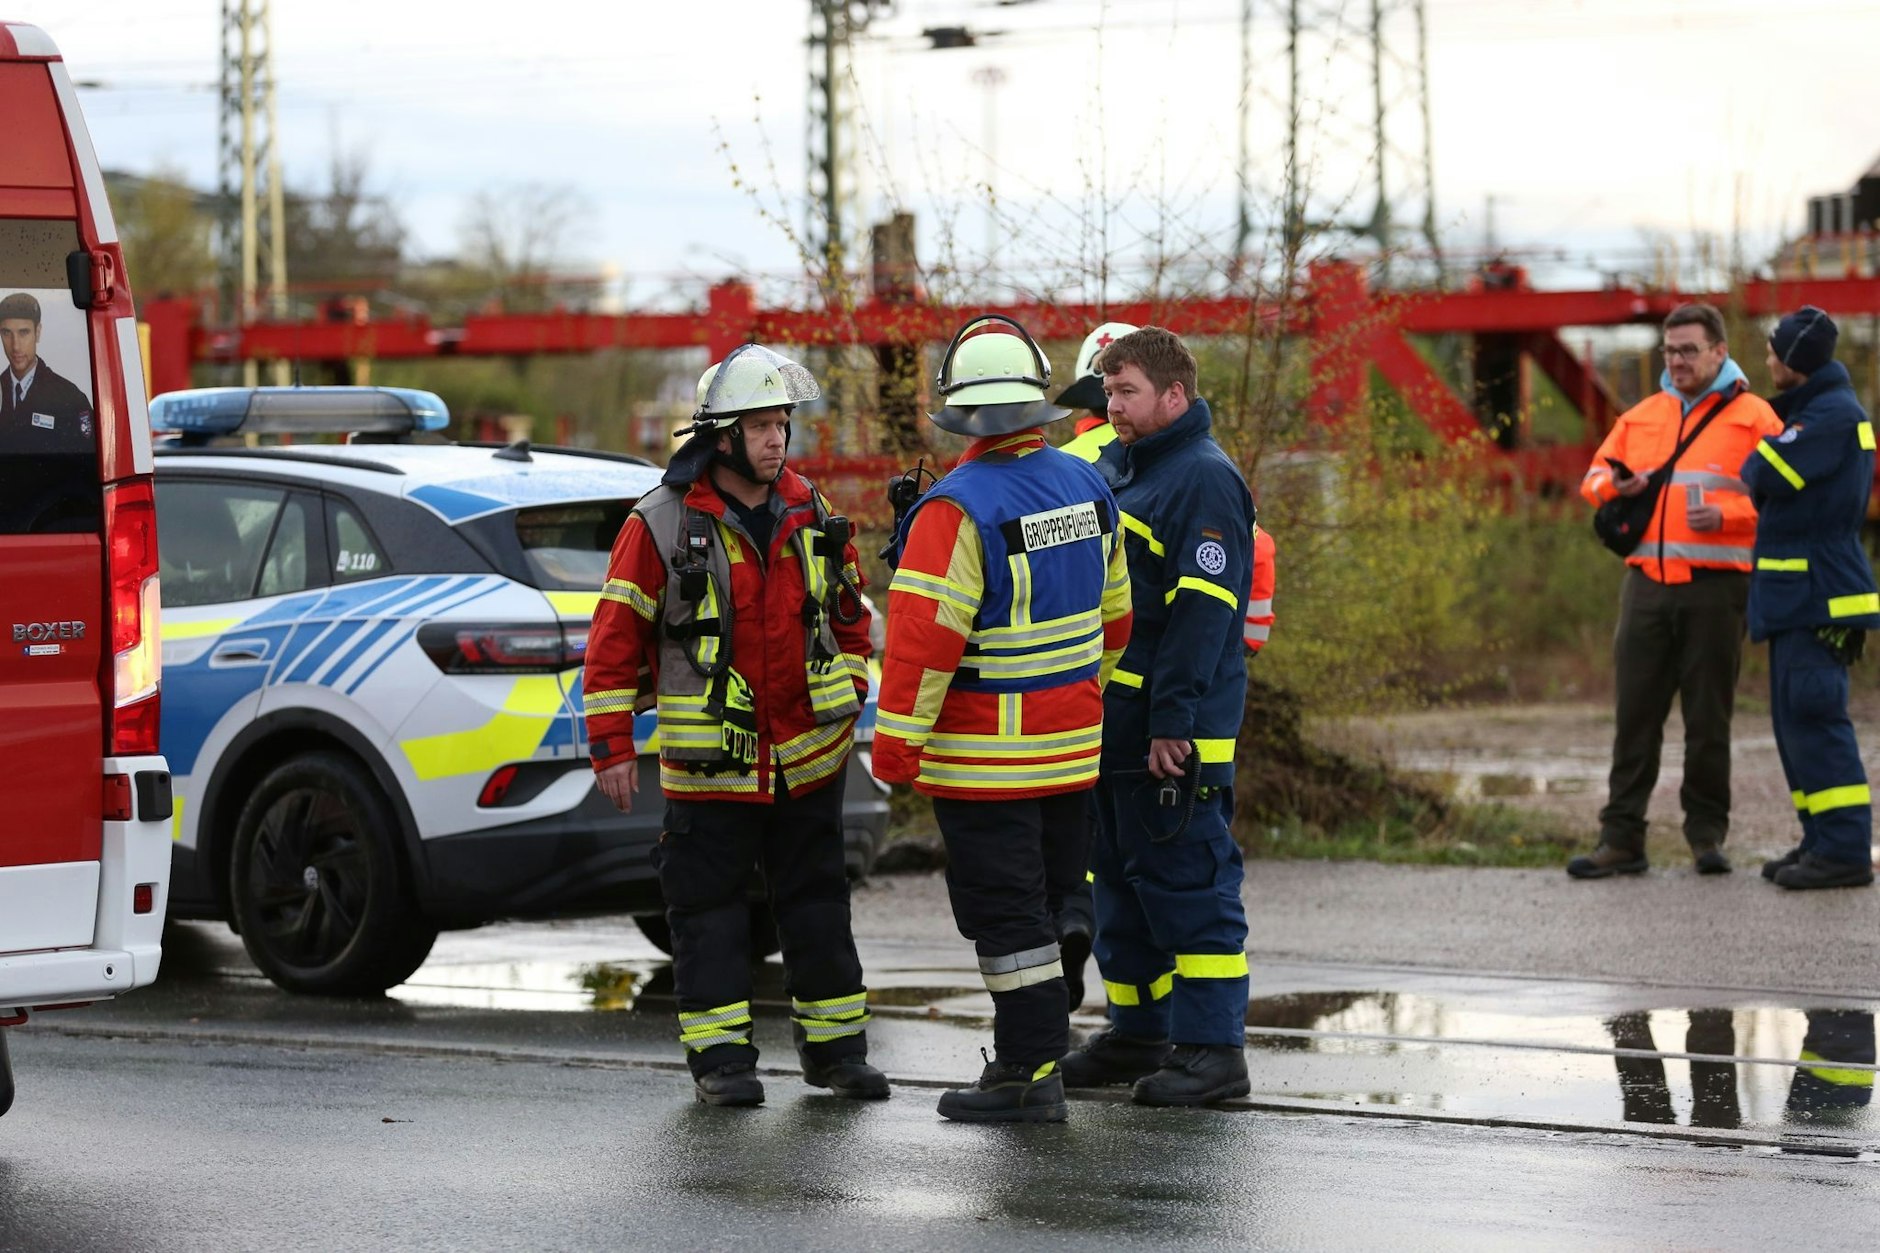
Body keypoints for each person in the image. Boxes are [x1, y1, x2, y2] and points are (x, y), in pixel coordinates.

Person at [583, 344, 888, 1107]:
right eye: (761, 426)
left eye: (782, 423)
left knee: (819, 905)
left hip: (808, 756)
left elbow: (851, 615)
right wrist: (611, 746)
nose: (777, 439)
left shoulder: (809, 507)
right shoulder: (656, 524)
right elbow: (614, 640)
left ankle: (837, 1053)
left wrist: (850, 688)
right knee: (708, 914)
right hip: (711, 764)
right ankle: (722, 1063)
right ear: (720, 436)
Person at [873, 316, 1132, 1123]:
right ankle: (1047, 1015)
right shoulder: (1087, 485)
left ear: (960, 410)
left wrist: (896, 747)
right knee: (1050, 899)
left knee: (1007, 918)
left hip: (985, 764)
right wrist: (1080, 696)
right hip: (1071, 749)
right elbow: (1117, 618)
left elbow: (922, 646)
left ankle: (1026, 1071)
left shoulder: (954, 509)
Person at [1051, 320, 1278, 1012]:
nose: (1112, 405)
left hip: (1174, 738)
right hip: (1124, 729)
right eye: (1109, 391)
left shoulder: (1201, 478)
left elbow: (1200, 620)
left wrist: (1171, 722)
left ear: (1174, 396)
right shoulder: (1133, 466)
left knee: (1189, 888)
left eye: (1127, 391)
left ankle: (1212, 1049)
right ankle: (1136, 1031)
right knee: (1121, 886)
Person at [1568, 303, 1782, 880]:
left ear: (1719, 351)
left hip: (1717, 590)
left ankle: (1706, 837)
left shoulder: (1756, 418)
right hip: (1645, 589)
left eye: (1689, 350)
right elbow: (1590, 479)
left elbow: (1785, 505)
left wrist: (1729, 516)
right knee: (1634, 717)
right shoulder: (1640, 417)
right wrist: (1612, 485)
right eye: (1669, 351)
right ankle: (1621, 839)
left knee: (1708, 721)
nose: (1677, 361)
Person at [1743, 307, 1880, 890]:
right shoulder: (1815, 410)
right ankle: (1820, 838)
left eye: (1775, 351)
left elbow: (1764, 470)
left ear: (1796, 360)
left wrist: (1768, 443)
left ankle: (1845, 849)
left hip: (1816, 593)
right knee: (1793, 722)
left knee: (1815, 718)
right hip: (1797, 595)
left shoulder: (1830, 416)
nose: (1769, 358)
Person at [0, 291, 93, 455]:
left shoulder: (69, 398)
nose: (15, 346)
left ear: (38, 332)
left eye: (23, 332)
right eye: (7, 333)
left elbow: (85, 467)